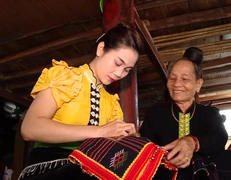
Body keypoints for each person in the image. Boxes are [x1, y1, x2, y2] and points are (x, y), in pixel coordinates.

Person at [18, 22, 144, 180]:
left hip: (88, 170)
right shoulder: (66, 78)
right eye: (118, 63)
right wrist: (100, 131)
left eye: (127, 70)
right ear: (101, 49)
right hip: (48, 168)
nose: (119, 73)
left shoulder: (112, 103)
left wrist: (131, 140)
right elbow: (30, 128)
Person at [139, 47, 228, 179]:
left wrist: (193, 142)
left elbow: (220, 138)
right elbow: (145, 146)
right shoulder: (154, 113)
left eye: (185, 79)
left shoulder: (210, 113)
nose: (177, 84)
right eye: (172, 78)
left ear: (198, 84)